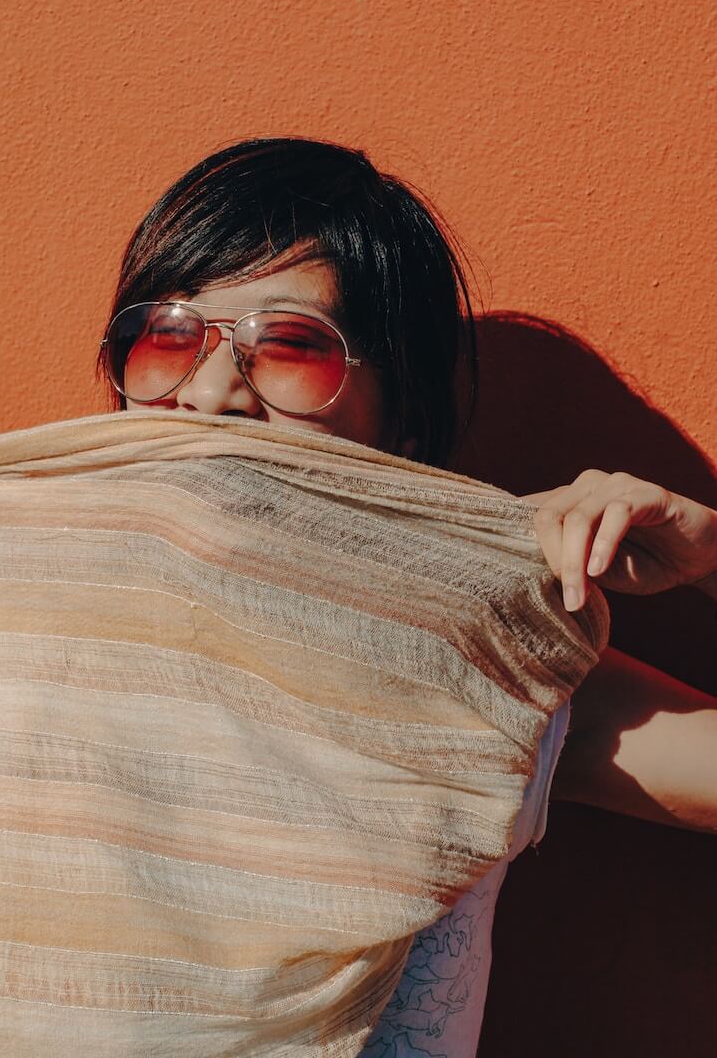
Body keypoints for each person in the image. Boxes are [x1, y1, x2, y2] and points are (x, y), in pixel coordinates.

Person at [94, 136, 717, 1056]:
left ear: (404, 417)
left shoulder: (476, 671)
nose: (212, 393)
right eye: (169, 334)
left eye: (292, 347)